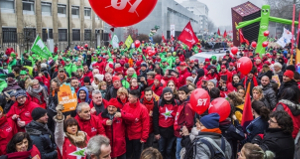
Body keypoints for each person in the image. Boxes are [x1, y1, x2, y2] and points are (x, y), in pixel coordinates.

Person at [122, 90, 150, 159]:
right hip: (127, 135)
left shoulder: (143, 109)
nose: (128, 99)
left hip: (137, 137)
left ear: (135, 98)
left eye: (130, 97)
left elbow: (146, 124)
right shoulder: (126, 106)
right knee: (128, 153)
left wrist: (144, 137)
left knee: (137, 154)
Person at [153, 87, 178, 159]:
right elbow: (155, 118)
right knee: (161, 149)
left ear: (172, 94)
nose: (168, 96)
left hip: (172, 131)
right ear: (163, 95)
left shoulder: (177, 103)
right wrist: (156, 132)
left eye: (169, 94)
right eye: (166, 94)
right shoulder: (158, 103)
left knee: (169, 150)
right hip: (161, 131)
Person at [174, 86, 194, 159]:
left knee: (179, 155)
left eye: (182, 93)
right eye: (179, 93)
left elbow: (189, 123)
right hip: (178, 132)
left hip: (182, 134)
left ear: (187, 94)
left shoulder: (187, 105)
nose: (180, 95)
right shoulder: (182, 103)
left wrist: (182, 129)